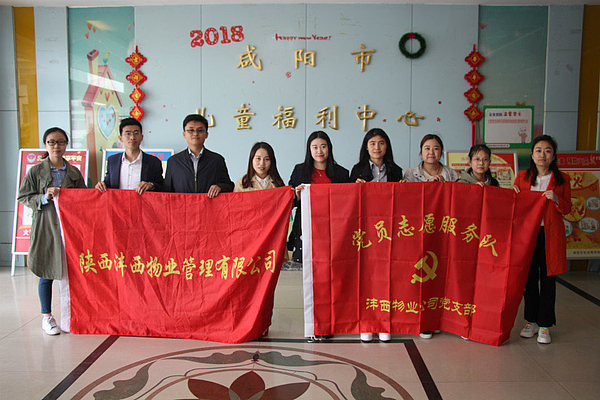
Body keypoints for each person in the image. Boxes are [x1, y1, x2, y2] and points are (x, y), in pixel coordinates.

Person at [17, 127, 87, 335]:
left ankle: (75, 314)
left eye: (61, 142)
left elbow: (84, 198)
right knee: (46, 272)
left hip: (69, 227)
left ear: (66, 145)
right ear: (45, 145)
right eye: (52, 142)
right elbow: (23, 196)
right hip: (46, 226)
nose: (57, 146)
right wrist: (43, 197)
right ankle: (47, 317)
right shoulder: (36, 171)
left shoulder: (73, 172)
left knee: (73, 273)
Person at [289, 131, 349, 341]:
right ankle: (313, 324)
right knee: (312, 280)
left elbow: (348, 204)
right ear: (309, 150)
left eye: (323, 146)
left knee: (332, 280)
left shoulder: (341, 173)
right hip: (308, 233)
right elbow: (289, 199)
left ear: (329, 148)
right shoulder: (300, 170)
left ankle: (329, 322)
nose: (319, 151)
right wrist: (296, 196)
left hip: (335, 234)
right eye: (315, 147)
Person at [512, 135, 571, 344]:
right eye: (538, 150)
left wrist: (556, 199)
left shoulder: (562, 179)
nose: (542, 155)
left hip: (550, 235)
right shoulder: (523, 176)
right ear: (532, 154)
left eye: (547, 151)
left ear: (553, 156)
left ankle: (545, 324)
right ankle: (531, 321)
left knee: (548, 280)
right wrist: (513, 194)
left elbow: (568, 208)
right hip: (528, 235)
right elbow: (515, 206)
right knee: (528, 279)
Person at [350, 128, 403, 343]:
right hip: (366, 232)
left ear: (387, 146)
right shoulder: (357, 170)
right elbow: (349, 202)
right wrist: (355, 188)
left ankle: (384, 322)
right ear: (366, 147)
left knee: (388, 277)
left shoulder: (396, 171)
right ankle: (367, 323)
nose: (377, 147)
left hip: (389, 233)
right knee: (366, 277)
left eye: (381, 143)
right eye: (372, 143)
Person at [403, 133, 457, 339]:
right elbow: (408, 202)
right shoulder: (411, 174)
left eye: (435, 148)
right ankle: (422, 319)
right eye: (427, 148)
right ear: (421, 151)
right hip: (419, 231)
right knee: (419, 277)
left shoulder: (452, 174)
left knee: (442, 275)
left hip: (443, 231)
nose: (431, 152)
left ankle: (439, 318)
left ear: (441, 151)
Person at [164, 114, 233, 196]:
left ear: (206, 134)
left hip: (208, 204)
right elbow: (166, 191)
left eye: (200, 130)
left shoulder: (217, 160)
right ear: (184, 134)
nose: (195, 134)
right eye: (191, 130)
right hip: (182, 204)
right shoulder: (174, 161)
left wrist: (220, 187)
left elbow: (229, 186)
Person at [95, 118, 163, 194]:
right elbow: (108, 184)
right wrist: (101, 185)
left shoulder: (153, 162)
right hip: (118, 201)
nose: (132, 137)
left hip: (142, 201)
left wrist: (151, 185)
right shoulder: (113, 161)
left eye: (136, 133)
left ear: (142, 137)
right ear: (120, 138)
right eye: (128, 134)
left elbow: (162, 186)